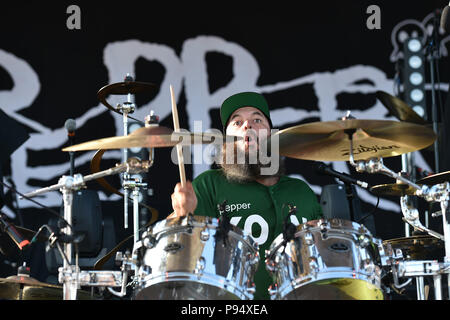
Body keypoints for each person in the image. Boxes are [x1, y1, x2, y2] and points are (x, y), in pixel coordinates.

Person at [170, 91, 323, 300]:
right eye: (237, 122)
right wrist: (182, 217)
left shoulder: (301, 190)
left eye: (257, 120)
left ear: (271, 134)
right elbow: (173, 257)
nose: (247, 126)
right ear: (227, 142)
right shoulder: (209, 184)